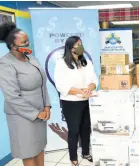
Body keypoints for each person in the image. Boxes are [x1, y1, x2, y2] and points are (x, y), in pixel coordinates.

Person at [0, 22, 51, 166]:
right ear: (12, 45)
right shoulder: (5, 64)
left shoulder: (32, 59)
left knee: (39, 147)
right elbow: (12, 97)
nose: (28, 44)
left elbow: (42, 84)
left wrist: (47, 106)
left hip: (41, 112)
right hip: (22, 116)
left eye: (28, 41)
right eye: (24, 43)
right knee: (28, 151)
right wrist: (36, 114)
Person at [54, 36, 98, 166]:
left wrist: (89, 88)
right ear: (70, 47)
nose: (80, 47)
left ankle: (85, 152)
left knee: (86, 128)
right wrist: (80, 91)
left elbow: (94, 81)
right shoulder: (61, 63)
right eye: (77, 44)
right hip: (71, 102)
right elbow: (61, 86)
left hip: (87, 100)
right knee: (74, 130)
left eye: (81, 44)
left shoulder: (87, 63)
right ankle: (73, 157)